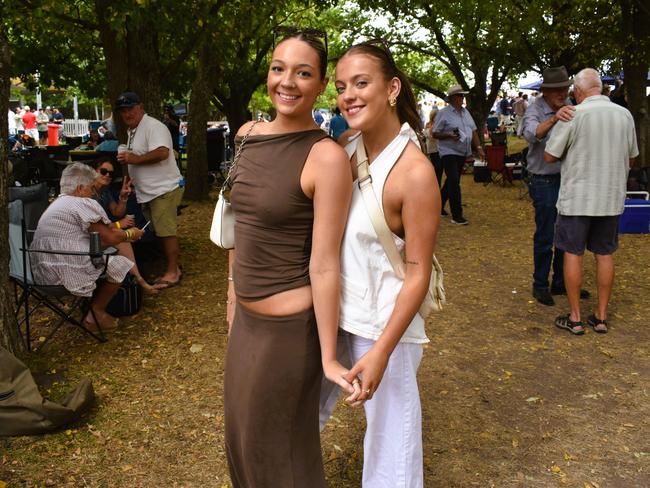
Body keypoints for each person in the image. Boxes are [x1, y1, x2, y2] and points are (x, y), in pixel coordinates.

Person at [223, 28, 355, 487]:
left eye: (303, 73)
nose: (288, 82)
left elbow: (324, 263)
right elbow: (240, 223)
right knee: (240, 443)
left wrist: (328, 357)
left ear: (320, 85)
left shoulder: (326, 157)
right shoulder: (246, 135)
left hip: (288, 333)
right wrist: (232, 293)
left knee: (280, 456)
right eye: (279, 69)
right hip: (246, 321)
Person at [320, 40, 440, 488]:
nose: (348, 95)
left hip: (382, 324)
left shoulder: (415, 173)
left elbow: (418, 272)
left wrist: (382, 351)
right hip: (336, 314)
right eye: (341, 86)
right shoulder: (346, 146)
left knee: (393, 444)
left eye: (361, 83)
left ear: (391, 88)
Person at [544, 68, 638, 335]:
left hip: (577, 198)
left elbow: (550, 156)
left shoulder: (574, 114)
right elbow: (631, 157)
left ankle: (575, 318)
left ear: (578, 90)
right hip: (609, 197)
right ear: (600, 88)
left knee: (573, 253)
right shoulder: (624, 114)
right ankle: (600, 316)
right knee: (605, 253)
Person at [29, 163, 145, 331]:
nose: (93, 193)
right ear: (80, 188)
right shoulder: (80, 203)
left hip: (43, 273)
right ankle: (95, 313)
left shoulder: (56, 204)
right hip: (68, 271)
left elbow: (99, 238)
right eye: (91, 188)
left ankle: (91, 309)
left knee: (105, 257)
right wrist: (130, 234)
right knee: (120, 265)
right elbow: (110, 237)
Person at [522, 66, 589, 306]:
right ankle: (540, 284)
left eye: (565, 88)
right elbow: (531, 134)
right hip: (543, 179)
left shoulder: (571, 104)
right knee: (546, 233)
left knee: (568, 232)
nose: (563, 92)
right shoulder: (535, 109)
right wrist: (554, 118)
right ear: (546, 92)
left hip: (567, 178)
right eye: (558, 89)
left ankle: (561, 281)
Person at [115, 91, 184, 289]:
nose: (127, 114)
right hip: (148, 191)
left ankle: (173, 273)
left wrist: (132, 159)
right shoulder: (133, 130)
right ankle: (173, 267)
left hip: (164, 189)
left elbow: (162, 152)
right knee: (159, 231)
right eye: (123, 111)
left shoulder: (154, 126)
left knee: (166, 232)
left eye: (130, 109)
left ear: (140, 107)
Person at [92, 157, 157, 294]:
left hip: (103, 234)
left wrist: (123, 198)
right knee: (122, 238)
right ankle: (139, 280)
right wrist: (118, 224)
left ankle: (138, 279)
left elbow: (117, 211)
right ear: (93, 171)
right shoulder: (88, 194)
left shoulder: (105, 191)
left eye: (111, 173)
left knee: (124, 238)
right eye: (103, 171)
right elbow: (94, 226)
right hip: (92, 238)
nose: (108, 175)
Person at [432, 85, 484, 225]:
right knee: (454, 181)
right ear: (453, 98)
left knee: (451, 181)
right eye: (460, 95)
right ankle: (457, 215)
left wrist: (479, 147)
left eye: (463, 95)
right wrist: (449, 135)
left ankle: (439, 205)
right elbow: (434, 133)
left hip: (462, 151)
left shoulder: (465, 113)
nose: (463, 97)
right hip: (448, 151)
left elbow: (473, 131)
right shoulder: (443, 113)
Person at [425, 109, 443, 196]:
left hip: (439, 151)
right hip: (433, 151)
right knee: (437, 172)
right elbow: (431, 136)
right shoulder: (430, 125)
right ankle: (435, 192)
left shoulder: (438, 125)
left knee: (439, 172)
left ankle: (437, 191)